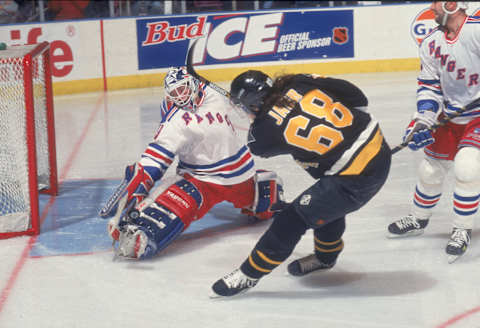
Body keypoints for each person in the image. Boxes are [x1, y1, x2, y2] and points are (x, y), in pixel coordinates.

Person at [210, 70, 391, 297]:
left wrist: (262, 116)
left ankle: (248, 275)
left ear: (253, 105)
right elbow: (356, 97)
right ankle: (326, 257)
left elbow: (260, 146)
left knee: (291, 219)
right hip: (377, 145)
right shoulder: (298, 81)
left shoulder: (262, 134)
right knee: (324, 205)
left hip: (356, 178)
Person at [99, 66, 285, 260]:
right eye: (174, 93)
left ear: (193, 85)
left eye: (183, 89)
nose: (180, 96)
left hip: (241, 175)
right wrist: (139, 182)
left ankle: (260, 185)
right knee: (170, 208)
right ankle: (143, 225)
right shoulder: (174, 122)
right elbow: (156, 158)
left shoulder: (212, 94)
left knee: (267, 203)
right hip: (201, 181)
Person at [387, 1, 480, 263]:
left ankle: (461, 229)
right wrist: (422, 121)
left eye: (437, 2)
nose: (432, 6)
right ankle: (418, 219)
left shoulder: (476, 32)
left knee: (467, 167)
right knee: (430, 170)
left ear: (453, 5)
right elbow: (429, 88)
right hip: (451, 116)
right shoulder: (431, 43)